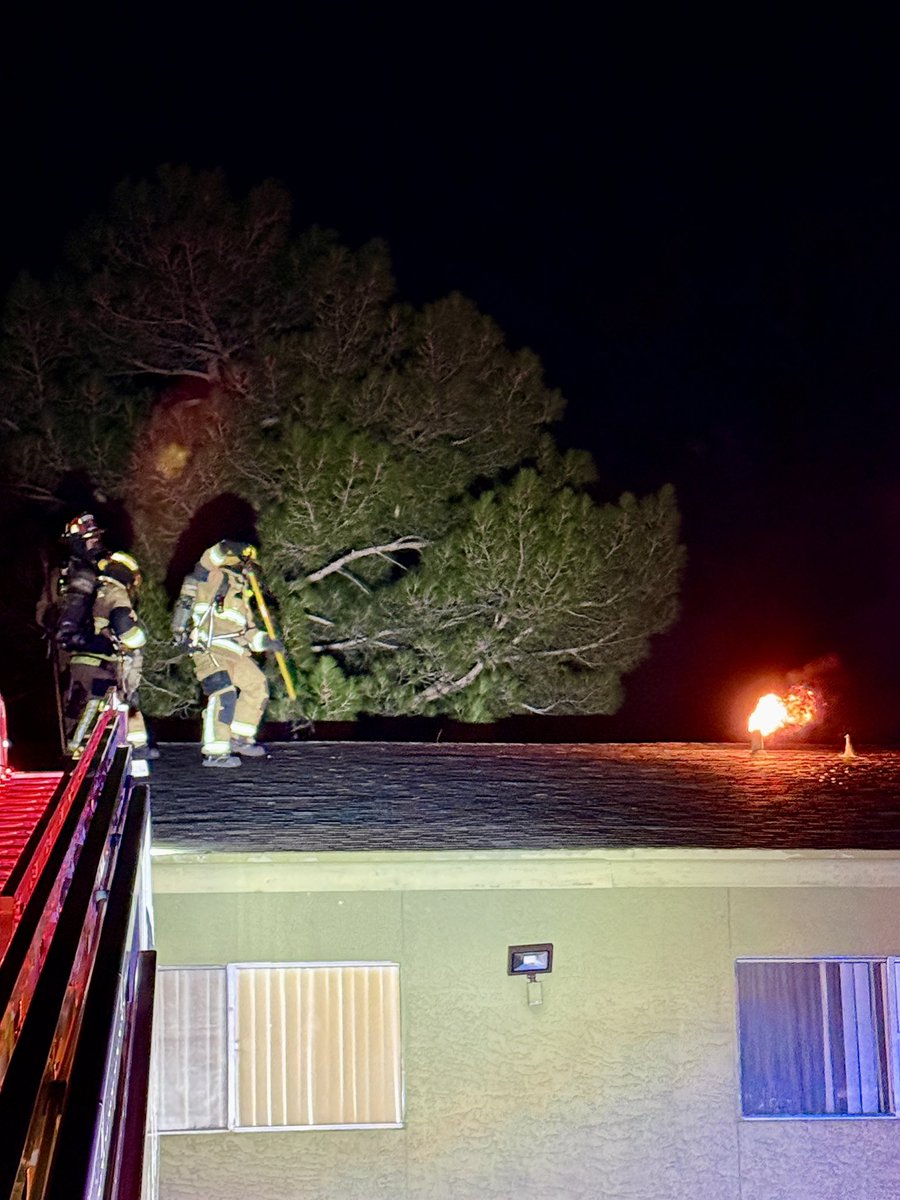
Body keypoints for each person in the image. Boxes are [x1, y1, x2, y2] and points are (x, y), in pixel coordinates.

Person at [172, 539, 282, 768]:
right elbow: (206, 561)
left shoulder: (242, 594)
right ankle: (215, 751)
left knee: (257, 684)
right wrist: (226, 547)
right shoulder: (214, 578)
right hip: (209, 647)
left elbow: (248, 633)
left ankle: (239, 738)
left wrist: (267, 642)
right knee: (224, 693)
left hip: (236, 651)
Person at [64, 550, 151, 774]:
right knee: (98, 706)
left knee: (78, 706)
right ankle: (81, 759)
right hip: (101, 663)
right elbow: (123, 622)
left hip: (81, 660)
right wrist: (138, 640)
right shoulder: (117, 592)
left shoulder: (95, 591)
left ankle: (74, 752)